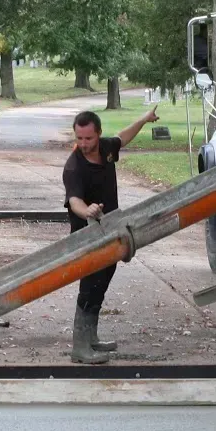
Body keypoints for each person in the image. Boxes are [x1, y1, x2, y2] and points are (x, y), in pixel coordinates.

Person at [62, 106, 160, 363]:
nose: (83, 144)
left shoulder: (106, 149)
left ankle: (91, 338)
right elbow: (74, 201)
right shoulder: (74, 167)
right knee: (90, 285)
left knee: (102, 283)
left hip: (111, 230)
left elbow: (123, 137)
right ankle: (79, 348)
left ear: (98, 135)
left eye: (88, 138)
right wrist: (88, 211)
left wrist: (143, 118)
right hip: (87, 235)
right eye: (79, 138)